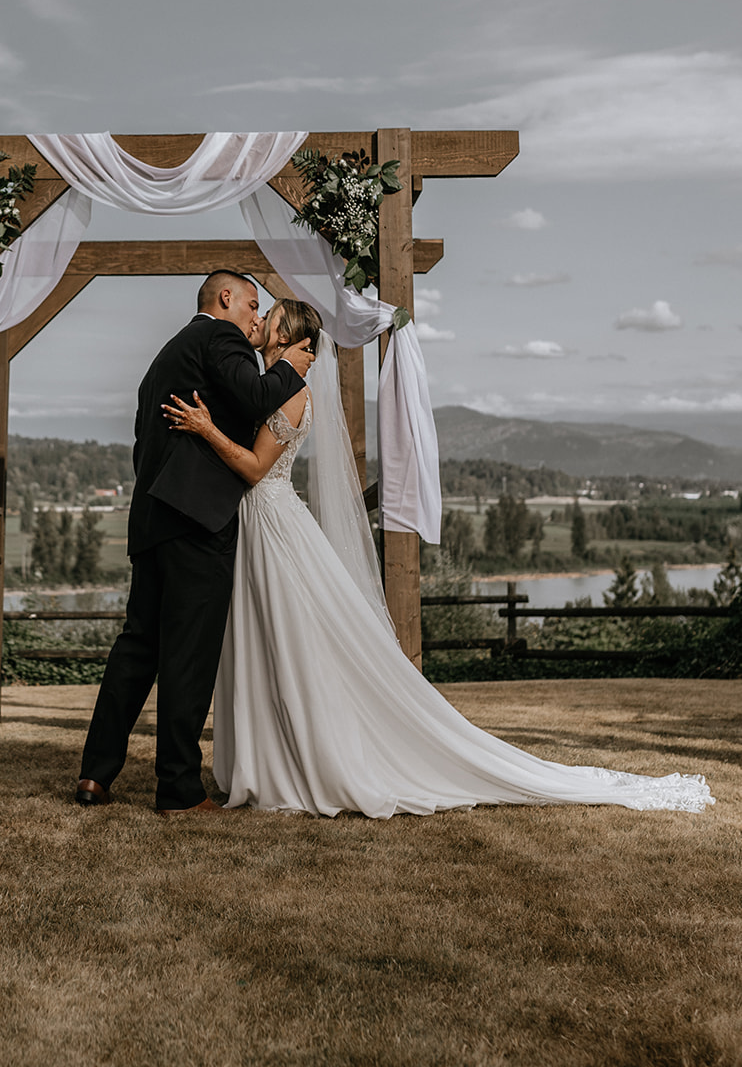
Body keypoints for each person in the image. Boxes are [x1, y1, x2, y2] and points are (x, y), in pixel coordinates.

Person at [162, 299, 713, 818]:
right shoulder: (266, 387)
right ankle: (270, 756)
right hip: (259, 525)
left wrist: (206, 428)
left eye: (269, 317)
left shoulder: (290, 391)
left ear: (287, 337)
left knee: (290, 641)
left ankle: (302, 759)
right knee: (267, 643)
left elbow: (257, 469)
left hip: (273, 524)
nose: (257, 322)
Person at [75, 270, 314, 815]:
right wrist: (288, 369)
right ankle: (178, 789)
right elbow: (256, 395)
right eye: (253, 304)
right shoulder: (218, 337)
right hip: (197, 521)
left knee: (137, 647)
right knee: (188, 657)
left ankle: (95, 774)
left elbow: (144, 442)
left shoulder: (166, 356)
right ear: (224, 298)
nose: (256, 317)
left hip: (153, 518)